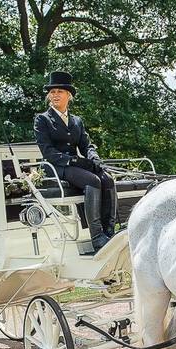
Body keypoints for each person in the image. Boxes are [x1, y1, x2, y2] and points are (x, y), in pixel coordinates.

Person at [34, 71, 116, 251]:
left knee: (107, 179)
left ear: (68, 96)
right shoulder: (42, 119)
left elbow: (87, 145)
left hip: (74, 165)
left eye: (59, 92)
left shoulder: (76, 121)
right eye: (52, 92)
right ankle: (97, 236)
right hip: (56, 166)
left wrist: (94, 158)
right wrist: (73, 161)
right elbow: (48, 152)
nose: (55, 95)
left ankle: (109, 230)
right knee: (92, 180)